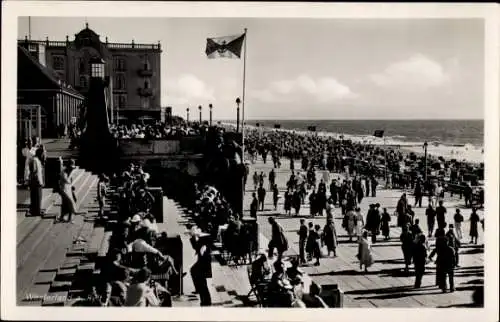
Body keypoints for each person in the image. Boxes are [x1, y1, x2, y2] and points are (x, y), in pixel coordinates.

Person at [190, 233, 213, 306]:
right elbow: (196, 246)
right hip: (201, 267)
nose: (198, 240)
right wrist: (192, 237)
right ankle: (205, 300)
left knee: (203, 285)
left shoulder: (204, 248)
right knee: (203, 285)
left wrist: (193, 237)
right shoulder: (203, 246)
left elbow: (196, 247)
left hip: (203, 268)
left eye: (200, 239)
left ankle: (206, 301)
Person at [57, 159, 79, 223]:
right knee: (69, 202)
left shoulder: (71, 171)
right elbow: (64, 180)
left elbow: (71, 180)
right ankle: (67, 216)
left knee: (67, 203)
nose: (72, 169)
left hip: (68, 188)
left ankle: (67, 217)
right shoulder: (63, 172)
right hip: (63, 189)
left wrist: (72, 186)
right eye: (71, 167)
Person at [28, 148, 45, 217]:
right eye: (43, 154)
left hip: (38, 181)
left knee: (38, 196)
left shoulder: (37, 160)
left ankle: (37, 210)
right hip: (36, 182)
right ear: (40, 154)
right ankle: (36, 211)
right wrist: (37, 180)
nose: (43, 155)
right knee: (36, 197)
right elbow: (33, 171)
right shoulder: (34, 160)